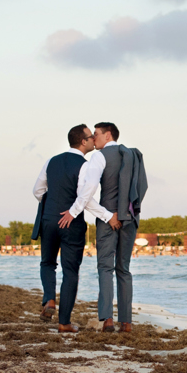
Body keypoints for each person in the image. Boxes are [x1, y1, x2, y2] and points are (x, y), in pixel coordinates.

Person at [32, 124, 104, 332]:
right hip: (71, 223)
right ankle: (64, 323)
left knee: (47, 262)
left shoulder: (51, 161)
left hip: (49, 219)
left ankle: (49, 299)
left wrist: (53, 204)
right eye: (91, 137)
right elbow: (85, 196)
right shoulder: (85, 166)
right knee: (70, 271)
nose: (93, 140)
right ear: (83, 141)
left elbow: (38, 191)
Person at [82, 122, 140, 333]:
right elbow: (142, 186)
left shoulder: (99, 156)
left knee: (105, 267)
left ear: (107, 136)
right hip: (130, 217)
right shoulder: (133, 155)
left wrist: (107, 215)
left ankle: (107, 319)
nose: (93, 139)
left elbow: (89, 190)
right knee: (123, 269)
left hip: (108, 218)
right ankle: (127, 323)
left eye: (96, 134)